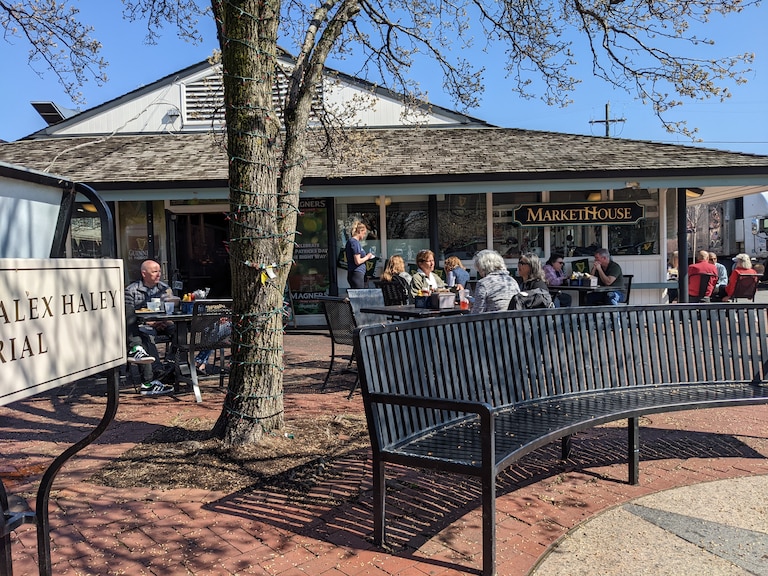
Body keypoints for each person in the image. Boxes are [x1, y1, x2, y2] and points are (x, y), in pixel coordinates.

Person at [125, 260, 175, 395]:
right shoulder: (131, 290)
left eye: (159, 271)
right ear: (144, 273)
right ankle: (156, 372)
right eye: (154, 271)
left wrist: (167, 320)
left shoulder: (164, 288)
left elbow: (171, 308)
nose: (158, 274)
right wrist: (150, 323)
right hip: (143, 325)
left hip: (163, 322)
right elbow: (129, 317)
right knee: (146, 336)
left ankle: (173, 367)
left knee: (179, 332)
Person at [344, 220, 376, 289]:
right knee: (359, 296)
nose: (364, 236)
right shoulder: (354, 243)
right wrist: (368, 256)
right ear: (360, 231)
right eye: (364, 233)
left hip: (357, 273)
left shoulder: (353, 242)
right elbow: (357, 261)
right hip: (356, 273)